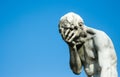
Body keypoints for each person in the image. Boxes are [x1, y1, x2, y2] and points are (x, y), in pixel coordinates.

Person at [59, 12, 118, 77]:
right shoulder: (77, 42)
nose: (67, 35)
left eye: (69, 30)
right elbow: (77, 70)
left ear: (80, 26)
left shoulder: (99, 38)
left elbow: (106, 68)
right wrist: (72, 47)